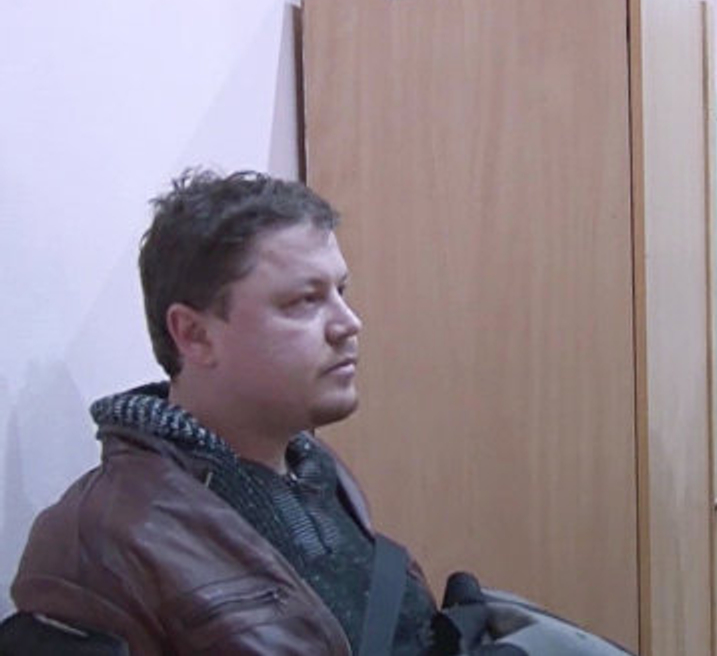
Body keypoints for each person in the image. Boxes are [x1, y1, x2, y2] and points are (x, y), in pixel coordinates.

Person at [3, 170, 632, 656]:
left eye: (341, 291)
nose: (348, 323)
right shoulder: (100, 541)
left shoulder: (311, 469)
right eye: (304, 301)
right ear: (194, 335)